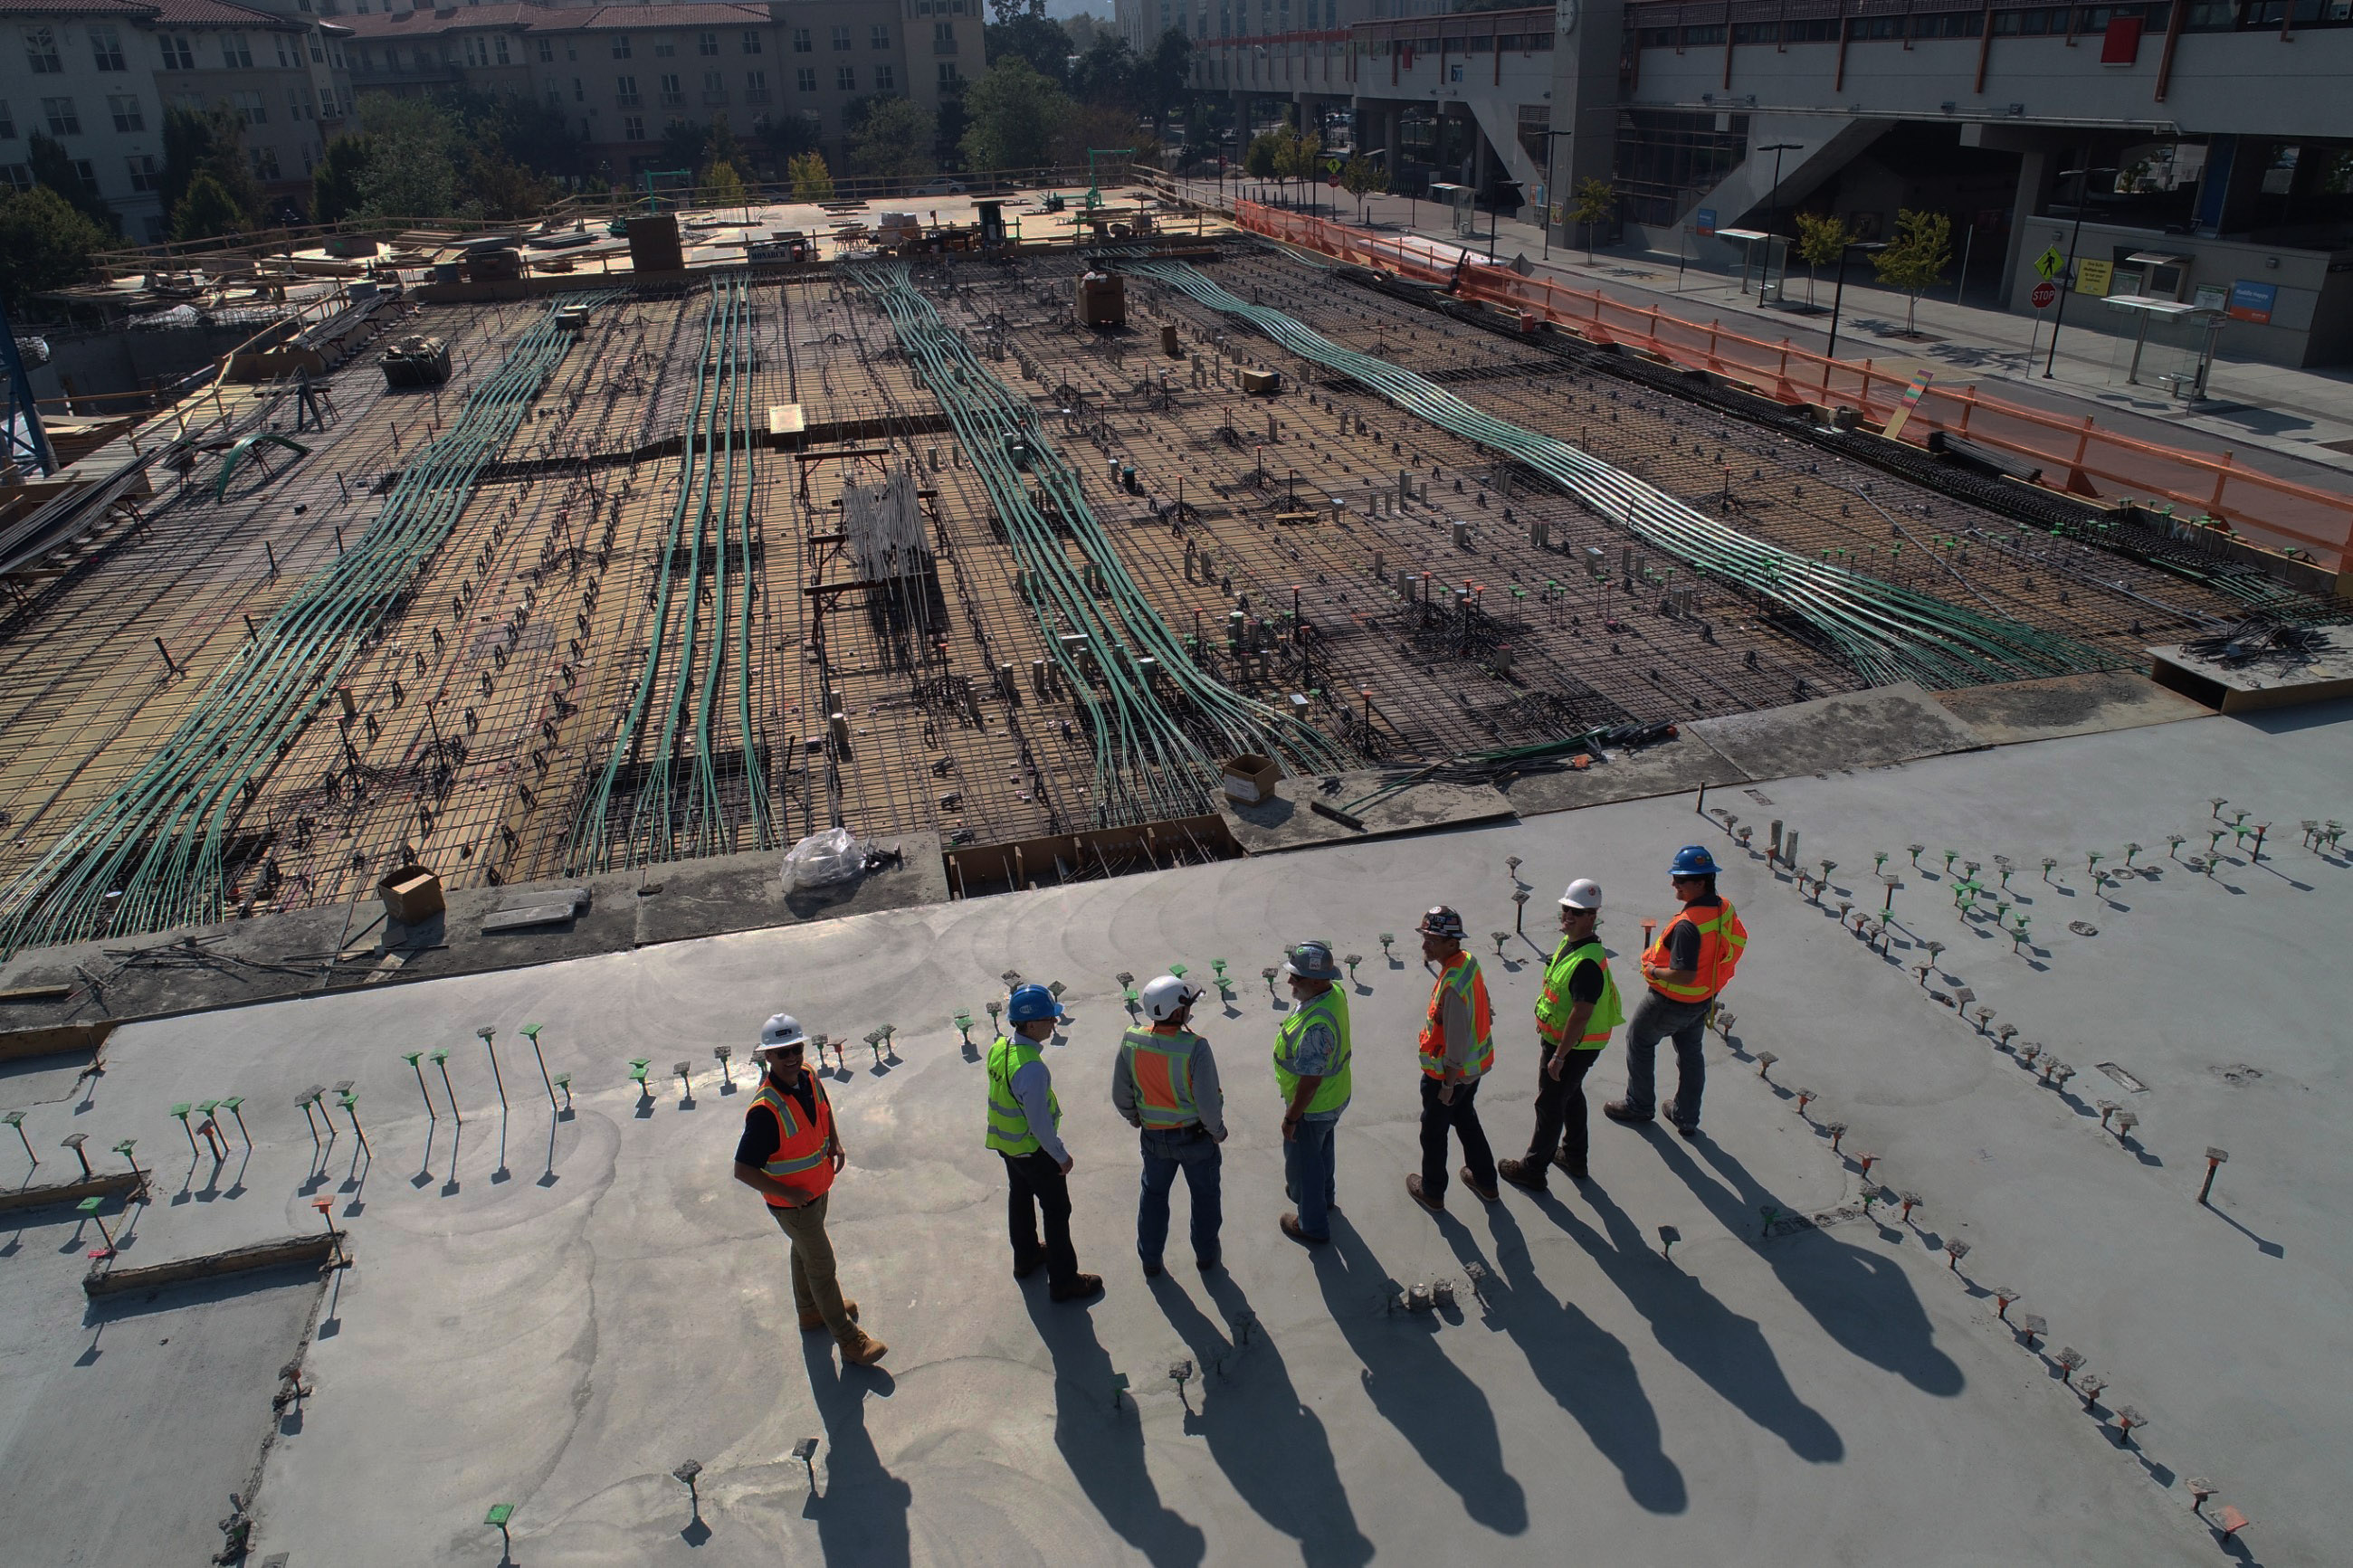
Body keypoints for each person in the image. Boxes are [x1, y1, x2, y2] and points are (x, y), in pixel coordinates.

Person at [732, 1013, 888, 1367]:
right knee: (822, 1265)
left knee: (804, 1253)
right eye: (782, 1052)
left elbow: (823, 1108)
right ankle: (849, 1341)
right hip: (794, 1205)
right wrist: (789, 1195)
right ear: (768, 1057)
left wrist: (835, 1141)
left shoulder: (808, 1077)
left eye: (796, 1049)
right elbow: (743, 1170)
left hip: (817, 1190)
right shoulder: (765, 1111)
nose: (791, 1058)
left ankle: (811, 1312)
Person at [1605, 845, 1749, 1138]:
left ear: (1700, 882)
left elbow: (1683, 974)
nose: (1674, 884)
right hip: (1703, 998)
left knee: (1639, 1042)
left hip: (1670, 1001)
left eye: (1680, 879)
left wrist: (1653, 971)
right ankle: (1686, 1116)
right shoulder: (1723, 907)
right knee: (1691, 1053)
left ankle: (1639, 1105)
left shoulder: (1688, 926)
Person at [1500, 879, 1622, 1190]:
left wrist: (1559, 1056)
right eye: (1566, 909)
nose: (1568, 916)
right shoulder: (1573, 944)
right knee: (1570, 1095)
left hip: (1572, 1047)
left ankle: (1533, 1170)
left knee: (1549, 1104)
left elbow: (1581, 1013)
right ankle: (1574, 1156)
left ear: (1592, 916)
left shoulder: (1586, 963)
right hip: (1568, 1044)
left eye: (1576, 912)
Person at [987, 984, 1102, 1303]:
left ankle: (1025, 1258)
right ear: (1032, 1024)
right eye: (1050, 1019)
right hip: (1032, 1150)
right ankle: (1064, 1281)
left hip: (1006, 1144)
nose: (1055, 1024)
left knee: (1020, 1196)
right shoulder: (1032, 1069)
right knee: (1056, 1209)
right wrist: (1060, 1156)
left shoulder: (1001, 1048)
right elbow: (1039, 1123)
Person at [1112, 974, 1227, 1275]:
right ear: (1177, 1012)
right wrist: (1218, 1131)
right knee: (1204, 1197)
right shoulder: (1195, 1047)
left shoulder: (1132, 1039)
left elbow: (1121, 1093)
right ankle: (1205, 1255)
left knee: (1153, 1196)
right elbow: (1207, 1102)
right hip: (1196, 1140)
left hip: (1153, 1139)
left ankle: (1150, 1259)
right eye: (1187, 1005)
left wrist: (1134, 1116)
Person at [1405, 906, 1498, 1213]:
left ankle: (1432, 1192)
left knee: (1433, 1133)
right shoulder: (1467, 963)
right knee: (1466, 1119)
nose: (1424, 945)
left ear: (1451, 943)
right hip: (1474, 1070)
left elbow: (1456, 1043)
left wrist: (1447, 1084)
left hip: (1449, 1076)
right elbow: (1482, 997)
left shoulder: (1453, 986)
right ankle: (1486, 1181)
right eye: (1425, 938)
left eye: (1431, 940)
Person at [1272, 939, 1352, 1246]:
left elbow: (1310, 1081)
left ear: (1318, 981)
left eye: (1298, 977)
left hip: (1314, 1106)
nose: (1290, 980)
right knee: (1321, 1150)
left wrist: (1291, 1119)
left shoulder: (1317, 1027)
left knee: (1304, 1165)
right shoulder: (1333, 994)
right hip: (1334, 1098)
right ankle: (1325, 1198)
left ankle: (1312, 1225)